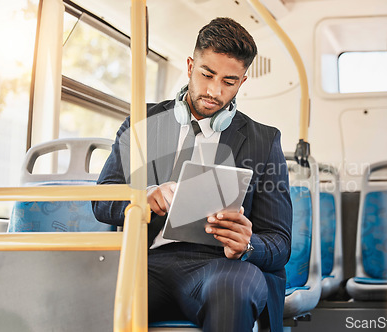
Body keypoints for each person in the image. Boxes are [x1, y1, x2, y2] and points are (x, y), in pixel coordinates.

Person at [92, 17, 292, 332]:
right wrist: (143, 198)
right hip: (148, 263)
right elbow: (103, 199)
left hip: (221, 268)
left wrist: (248, 244)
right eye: (207, 74)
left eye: (229, 81)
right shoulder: (142, 123)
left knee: (234, 289)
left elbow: (279, 243)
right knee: (89, 291)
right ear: (189, 66)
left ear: (242, 82)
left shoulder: (264, 141)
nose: (214, 90)